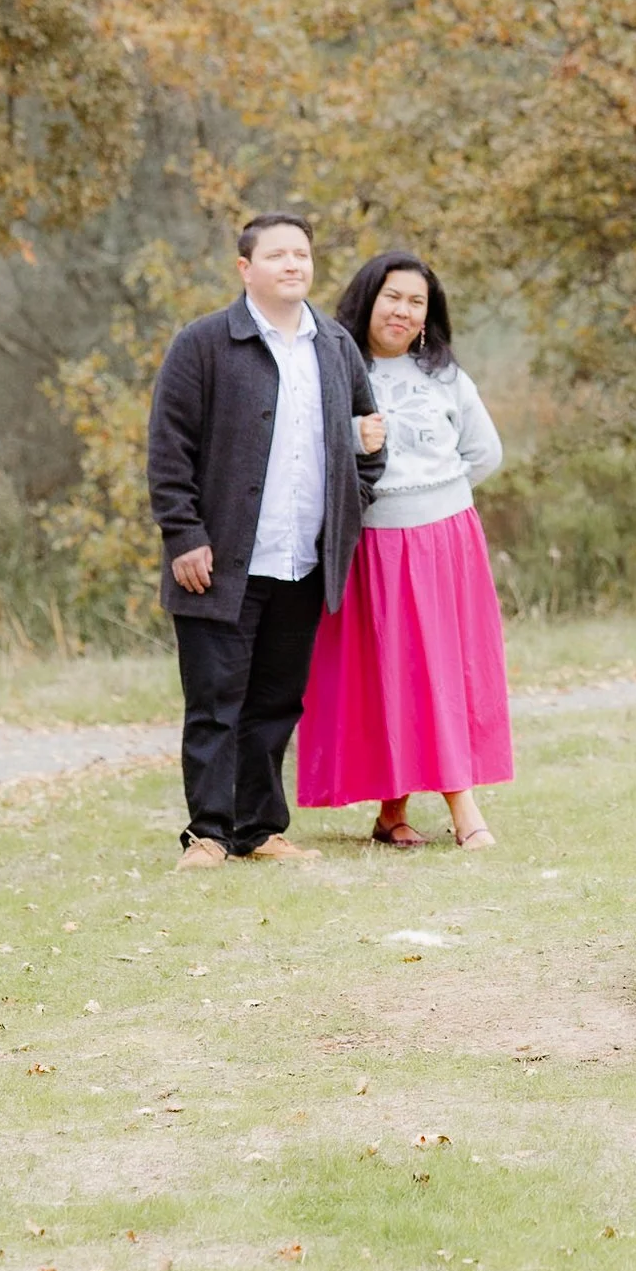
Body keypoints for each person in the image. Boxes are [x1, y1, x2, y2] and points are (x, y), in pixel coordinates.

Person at [147, 212, 387, 871]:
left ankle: (258, 828)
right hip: (217, 563)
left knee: (275, 702)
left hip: (303, 561)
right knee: (216, 701)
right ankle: (209, 834)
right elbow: (168, 450)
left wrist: (350, 509)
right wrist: (185, 536)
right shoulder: (202, 345)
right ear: (245, 268)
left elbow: (370, 439)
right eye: (276, 254)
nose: (292, 265)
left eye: (301, 254)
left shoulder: (334, 346)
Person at [297, 251, 512, 850]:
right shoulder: (333, 369)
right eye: (393, 296)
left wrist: (437, 496)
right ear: (368, 299)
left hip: (445, 541)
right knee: (394, 675)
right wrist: (353, 446)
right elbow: (306, 451)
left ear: (427, 315)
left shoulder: (444, 375)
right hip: (371, 546)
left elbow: (486, 452)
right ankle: (397, 811)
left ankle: (459, 805)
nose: (403, 310)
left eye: (416, 302)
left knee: (443, 670)